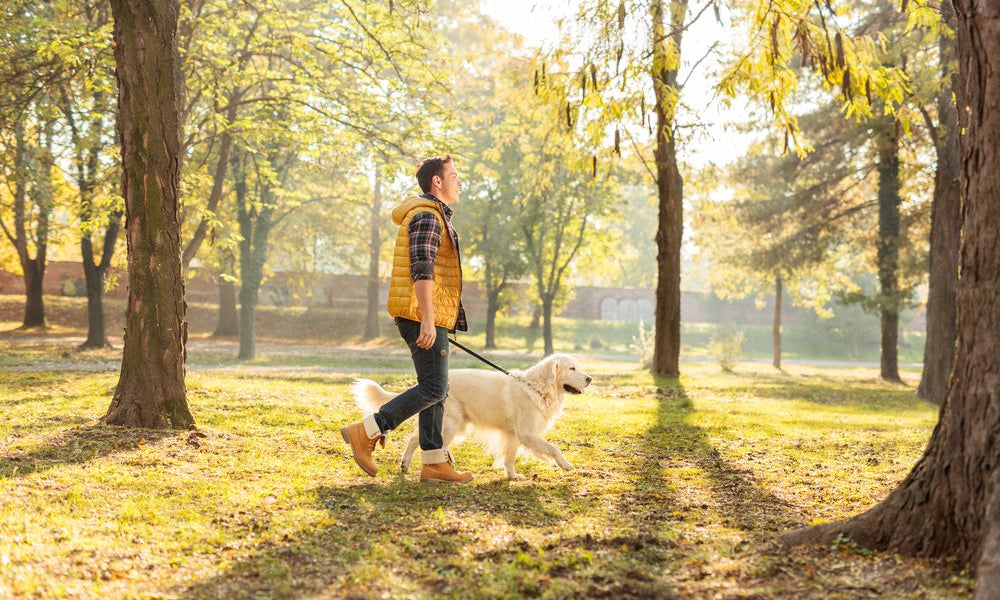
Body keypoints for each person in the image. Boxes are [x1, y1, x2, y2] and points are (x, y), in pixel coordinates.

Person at [341, 155, 473, 483]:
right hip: (420, 315)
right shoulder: (428, 215)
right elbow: (422, 267)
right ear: (437, 182)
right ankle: (367, 430)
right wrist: (429, 319)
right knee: (435, 387)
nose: (460, 181)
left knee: (437, 389)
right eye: (454, 175)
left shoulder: (434, 215)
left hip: (428, 315)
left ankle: (434, 462)